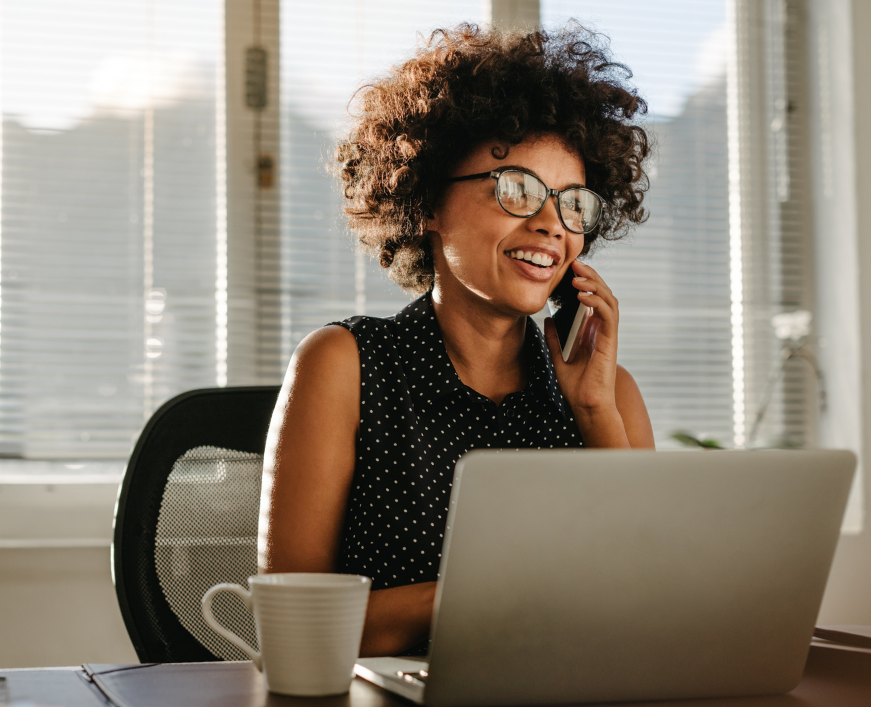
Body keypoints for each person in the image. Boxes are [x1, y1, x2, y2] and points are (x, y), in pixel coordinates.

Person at [258, 22, 655, 658]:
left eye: (573, 202)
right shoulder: (344, 366)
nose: (552, 224)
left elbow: (656, 607)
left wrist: (595, 415)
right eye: (517, 189)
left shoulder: (609, 395)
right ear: (428, 203)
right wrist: (486, 594)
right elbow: (292, 626)